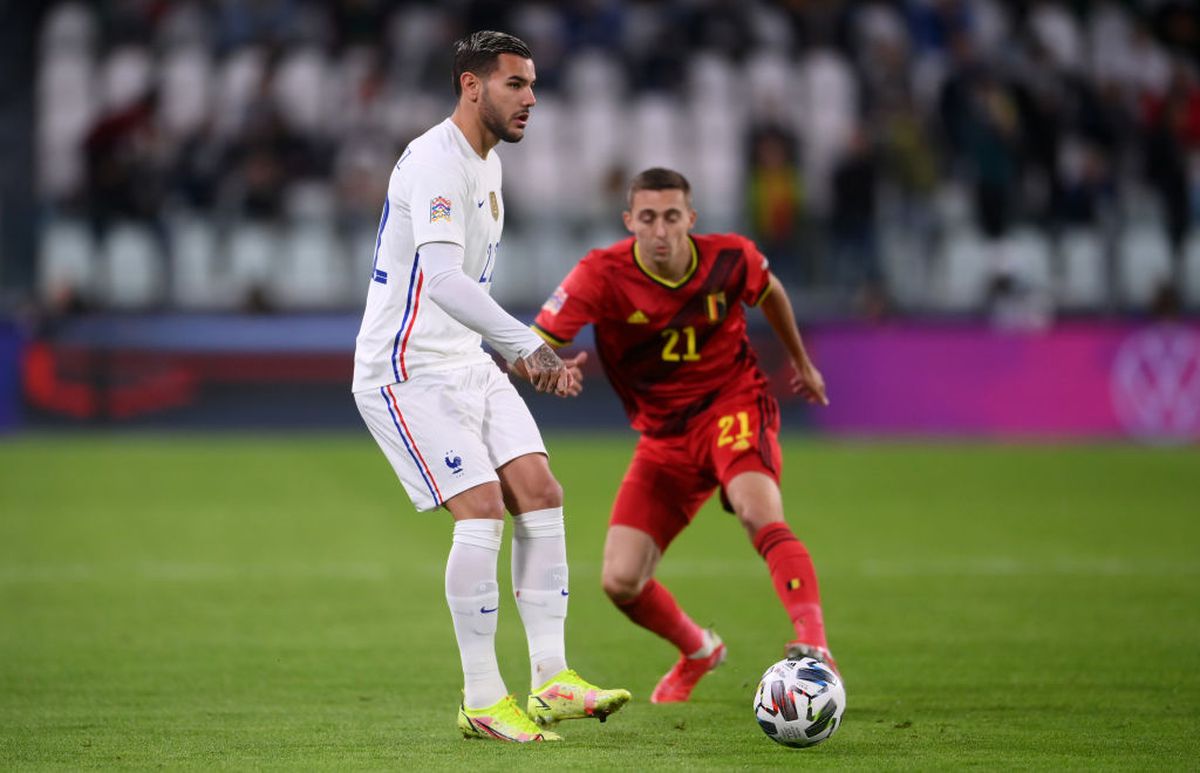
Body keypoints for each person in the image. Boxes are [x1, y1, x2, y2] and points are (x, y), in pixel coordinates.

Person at [351, 31, 629, 742]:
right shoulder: (436, 162)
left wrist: (509, 353)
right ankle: (481, 696)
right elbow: (441, 280)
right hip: (405, 368)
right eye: (515, 84)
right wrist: (528, 346)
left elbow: (465, 290)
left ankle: (552, 677)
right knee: (481, 508)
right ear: (471, 85)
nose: (531, 97)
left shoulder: (488, 164)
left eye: (533, 84)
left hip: (465, 359)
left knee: (541, 489)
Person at [532, 168, 835, 703]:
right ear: (629, 222)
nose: (661, 231)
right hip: (663, 438)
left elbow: (771, 291)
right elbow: (531, 342)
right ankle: (699, 649)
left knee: (755, 510)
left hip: (732, 405)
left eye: (672, 217)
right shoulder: (600, 274)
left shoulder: (729, 257)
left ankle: (813, 647)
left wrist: (802, 363)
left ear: (690, 219)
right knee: (620, 581)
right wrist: (547, 368)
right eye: (648, 218)